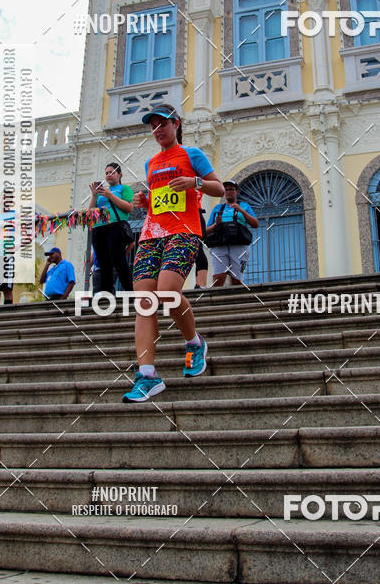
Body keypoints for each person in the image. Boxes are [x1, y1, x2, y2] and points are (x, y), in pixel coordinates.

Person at [123, 103, 224, 403]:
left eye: (163, 124)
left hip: (184, 231)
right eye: (153, 126)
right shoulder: (151, 163)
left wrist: (194, 182)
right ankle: (148, 375)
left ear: (176, 124)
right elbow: (158, 200)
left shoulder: (192, 155)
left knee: (167, 292)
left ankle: (194, 343)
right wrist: (145, 200)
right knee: (144, 301)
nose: (158, 130)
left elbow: (217, 188)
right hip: (152, 233)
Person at [88, 163, 135, 293]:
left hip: (115, 226)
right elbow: (91, 212)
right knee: (103, 263)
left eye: (112, 172)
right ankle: (108, 293)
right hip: (99, 227)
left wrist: (110, 196)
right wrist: (94, 195)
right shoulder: (101, 192)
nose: (108, 175)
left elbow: (129, 208)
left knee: (119, 260)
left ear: (120, 174)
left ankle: (130, 290)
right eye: (106, 173)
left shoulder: (124, 188)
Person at [207, 180, 259, 287]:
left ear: (237, 191)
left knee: (237, 279)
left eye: (231, 189)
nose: (228, 192)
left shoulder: (244, 206)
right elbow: (206, 231)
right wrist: (216, 224)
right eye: (226, 189)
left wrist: (241, 211)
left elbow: (255, 224)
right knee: (218, 278)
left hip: (240, 246)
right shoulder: (218, 208)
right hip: (219, 245)